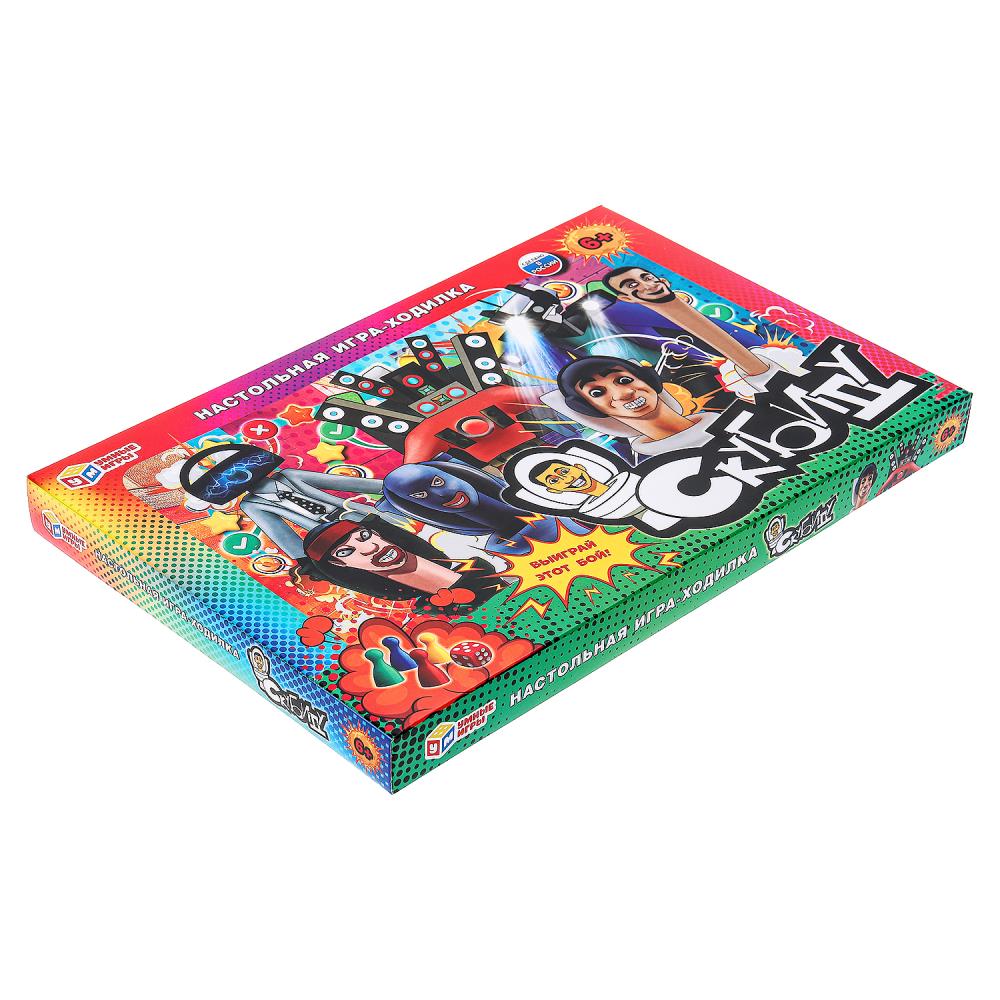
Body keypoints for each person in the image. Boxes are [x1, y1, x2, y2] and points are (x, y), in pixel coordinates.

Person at [300, 513, 501, 608]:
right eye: (345, 552)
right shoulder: (428, 612)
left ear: (376, 533)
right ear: (340, 564)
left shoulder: (483, 561)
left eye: (364, 536)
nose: (371, 548)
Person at [543, 356, 721, 458]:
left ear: (649, 380)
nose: (624, 394)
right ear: (588, 408)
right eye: (597, 393)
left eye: (624, 380)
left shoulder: (726, 414)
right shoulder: (648, 465)